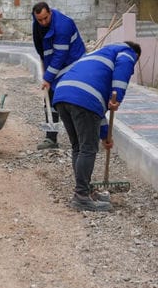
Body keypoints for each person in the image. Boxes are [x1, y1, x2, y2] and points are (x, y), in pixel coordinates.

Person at [52, 41, 141, 212]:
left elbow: (95, 112)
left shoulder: (96, 54)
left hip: (62, 94)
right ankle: (81, 197)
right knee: (87, 149)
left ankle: (84, 189)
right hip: (83, 99)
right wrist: (118, 97)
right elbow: (122, 72)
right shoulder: (127, 52)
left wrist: (105, 135)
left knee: (78, 147)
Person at [32, 2, 86, 149]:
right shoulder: (37, 23)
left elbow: (60, 55)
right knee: (49, 99)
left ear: (50, 12)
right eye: (39, 20)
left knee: (72, 101)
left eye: (45, 18)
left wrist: (48, 78)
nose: (43, 22)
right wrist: (45, 67)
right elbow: (42, 49)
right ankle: (51, 138)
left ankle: (83, 139)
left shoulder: (63, 26)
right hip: (55, 65)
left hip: (72, 65)